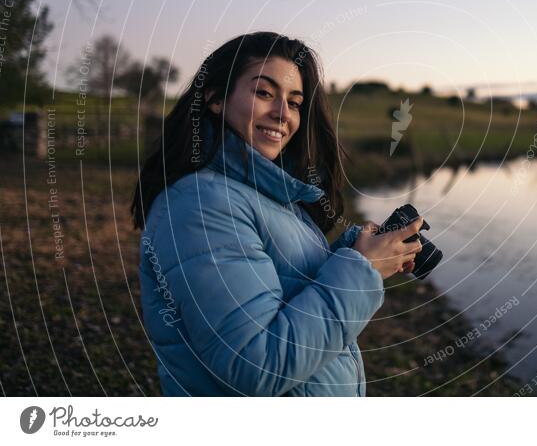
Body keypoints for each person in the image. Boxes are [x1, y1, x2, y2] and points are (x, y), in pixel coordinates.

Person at [130, 32, 424, 396]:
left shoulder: (262, 192)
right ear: (216, 99)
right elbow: (257, 365)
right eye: (264, 93)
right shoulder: (200, 205)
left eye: (295, 102)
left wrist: (357, 252)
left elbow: (285, 286)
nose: (283, 114)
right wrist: (360, 272)